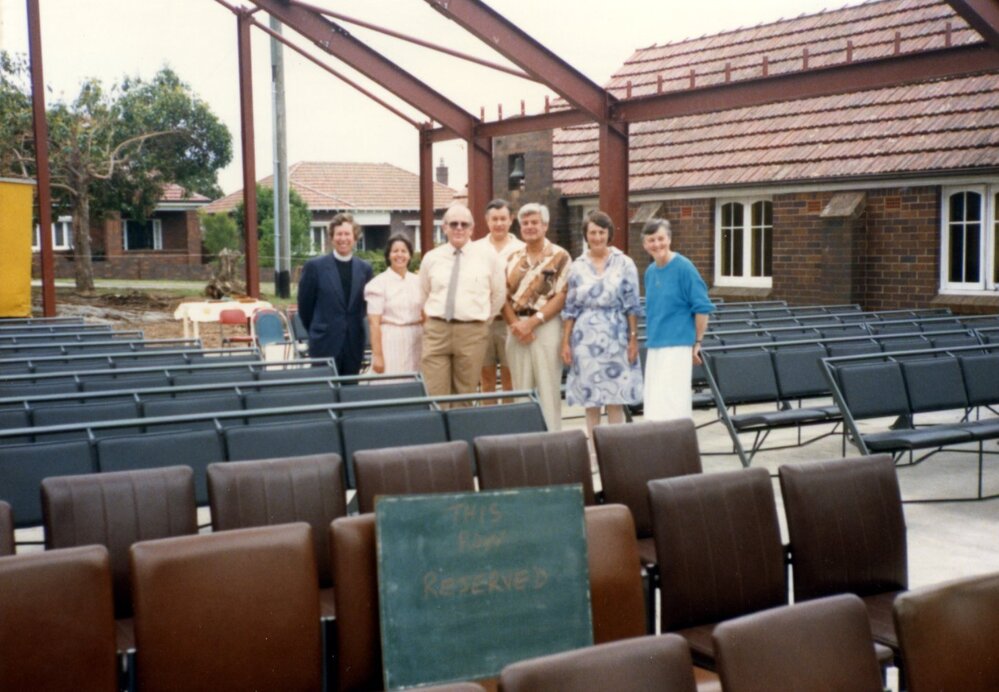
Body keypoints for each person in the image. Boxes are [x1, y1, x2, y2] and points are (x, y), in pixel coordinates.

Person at [561, 210, 643, 442]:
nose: (597, 237)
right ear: (586, 235)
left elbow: (632, 305)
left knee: (615, 397)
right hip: (585, 338)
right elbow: (570, 308)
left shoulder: (624, 263)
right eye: (592, 232)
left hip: (616, 335)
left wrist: (633, 339)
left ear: (609, 234)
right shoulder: (577, 266)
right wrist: (565, 342)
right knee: (591, 399)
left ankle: (615, 449)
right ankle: (593, 451)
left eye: (601, 232)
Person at [419, 203, 506, 404]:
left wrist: (482, 321)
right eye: (453, 224)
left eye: (464, 224)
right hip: (437, 331)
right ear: (444, 227)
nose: (459, 228)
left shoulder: (488, 257)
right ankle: (440, 426)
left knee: (465, 396)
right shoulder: (431, 258)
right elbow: (424, 293)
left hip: (471, 333)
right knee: (434, 395)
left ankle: (460, 426)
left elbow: (498, 294)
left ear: (472, 228)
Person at [502, 203, 571, 431]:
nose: (530, 227)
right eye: (525, 223)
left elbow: (562, 295)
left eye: (535, 222)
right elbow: (502, 296)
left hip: (546, 326)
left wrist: (532, 322)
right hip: (516, 330)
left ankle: (552, 441)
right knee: (520, 391)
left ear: (545, 225)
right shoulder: (512, 258)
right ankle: (525, 442)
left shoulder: (560, 256)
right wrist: (516, 324)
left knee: (548, 389)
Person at [641, 218, 714, 421]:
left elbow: (702, 307)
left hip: (677, 345)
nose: (657, 244)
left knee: (673, 405)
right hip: (655, 344)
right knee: (654, 405)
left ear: (669, 239)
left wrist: (697, 342)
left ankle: (678, 442)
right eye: (651, 240)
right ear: (645, 245)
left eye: (661, 238)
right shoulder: (650, 272)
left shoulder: (684, 267)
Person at [297, 213, 373, 375]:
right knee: (324, 388)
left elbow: (364, 306)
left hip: (353, 344)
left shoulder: (365, 269)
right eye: (339, 234)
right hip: (324, 344)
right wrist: (319, 330)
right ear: (331, 237)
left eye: (347, 234)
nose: (343, 238)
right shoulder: (314, 267)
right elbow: (305, 307)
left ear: (355, 238)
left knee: (351, 388)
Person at [474, 199, 525, 399]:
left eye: (503, 219)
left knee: (510, 380)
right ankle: (489, 417)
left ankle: (509, 417)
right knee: (486, 380)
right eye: (494, 219)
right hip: (483, 322)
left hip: (509, 323)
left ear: (511, 219)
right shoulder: (475, 249)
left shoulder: (521, 248)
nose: (499, 223)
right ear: (487, 221)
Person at [364, 234, 423, 374]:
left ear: (410, 255)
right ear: (388, 255)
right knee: (392, 381)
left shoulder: (419, 282)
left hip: (417, 341)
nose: (399, 255)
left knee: (416, 382)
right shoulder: (378, 284)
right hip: (390, 342)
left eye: (404, 251)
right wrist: (378, 356)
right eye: (395, 251)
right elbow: (374, 323)